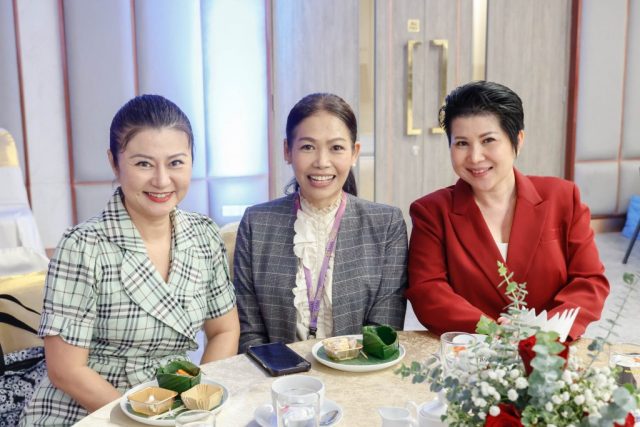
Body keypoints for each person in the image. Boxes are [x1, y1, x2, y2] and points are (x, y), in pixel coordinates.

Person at [20, 95, 239, 426]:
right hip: (90, 406)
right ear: (114, 162)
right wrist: (143, 419)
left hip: (173, 401)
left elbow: (224, 329)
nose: (162, 180)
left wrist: (197, 402)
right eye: (143, 164)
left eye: (176, 163)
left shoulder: (205, 235)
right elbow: (66, 370)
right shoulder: (82, 246)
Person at [406, 81, 609, 340]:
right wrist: (494, 330)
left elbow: (589, 281)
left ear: (518, 140)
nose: (475, 157)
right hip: (470, 350)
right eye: (462, 143)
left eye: (488, 140)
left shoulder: (562, 197)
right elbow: (428, 290)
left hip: (550, 350)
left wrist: (545, 331)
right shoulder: (431, 211)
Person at [234, 93, 408, 352]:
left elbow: (384, 332)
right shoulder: (256, 223)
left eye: (336, 148)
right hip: (274, 374)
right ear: (287, 151)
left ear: (354, 153)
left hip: (359, 372)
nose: (322, 162)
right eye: (308, 147)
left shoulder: (386, 225)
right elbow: (249, 333)